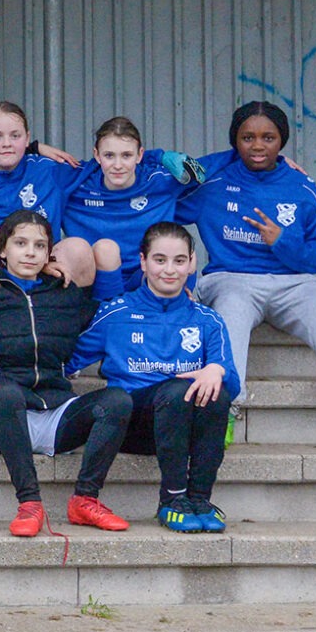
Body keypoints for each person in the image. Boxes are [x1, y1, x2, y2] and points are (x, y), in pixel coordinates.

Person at [0, 210, 132, 537]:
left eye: (39, 245)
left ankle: (85, 499)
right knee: (7, 392)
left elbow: (110, 315)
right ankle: (30, 503)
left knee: (118, 400)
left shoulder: (63, 293)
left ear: (49, 253)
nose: (30, 252)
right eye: (20, 243)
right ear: (3, 249)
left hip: (53, 408)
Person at [175, 101, 316, 447]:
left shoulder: (302, 186)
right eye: (247, 137)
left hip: (295, 283)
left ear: (281, 141)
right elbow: (156, 192)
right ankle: (222, 413)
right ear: (234, 141)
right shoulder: (213, 181)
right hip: (232, 278)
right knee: (230, 313)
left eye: (268, 137)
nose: (257, 145)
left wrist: (282, 242)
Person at [67, 223, 237, 532]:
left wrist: (217, 369)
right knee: (175, 391)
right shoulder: (116, 312)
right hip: (134, 425)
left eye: (179, 261)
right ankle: (171, 500)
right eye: (159, 260)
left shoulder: (207, 320)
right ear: (143, 262)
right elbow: (69, 360)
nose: (169, 270)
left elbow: (233, 384)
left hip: (183, 429)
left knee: (217, 392)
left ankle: (199, 499)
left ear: (192, 263)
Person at [0, 102, 93, 279]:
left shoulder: (49, 170)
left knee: (78, 248)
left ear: (27, 137)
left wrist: (35, 148)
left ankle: (78, 306)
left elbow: (110, 165)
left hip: (45, 266)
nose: (7, 143)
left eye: (15, 136)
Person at [61, 116, 202, 294]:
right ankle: (109, 314)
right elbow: (21, 157)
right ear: (96, 155)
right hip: (97, 278)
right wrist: (36, 147)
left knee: (188, 255)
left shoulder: (160, 180)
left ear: (140, 155)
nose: (118, 165)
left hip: (144, 275)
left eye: (126, 155)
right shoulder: (76, 181)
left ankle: (180, 309)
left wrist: (159, 157)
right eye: (109, 155)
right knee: (106, 249)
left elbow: (213, 166)